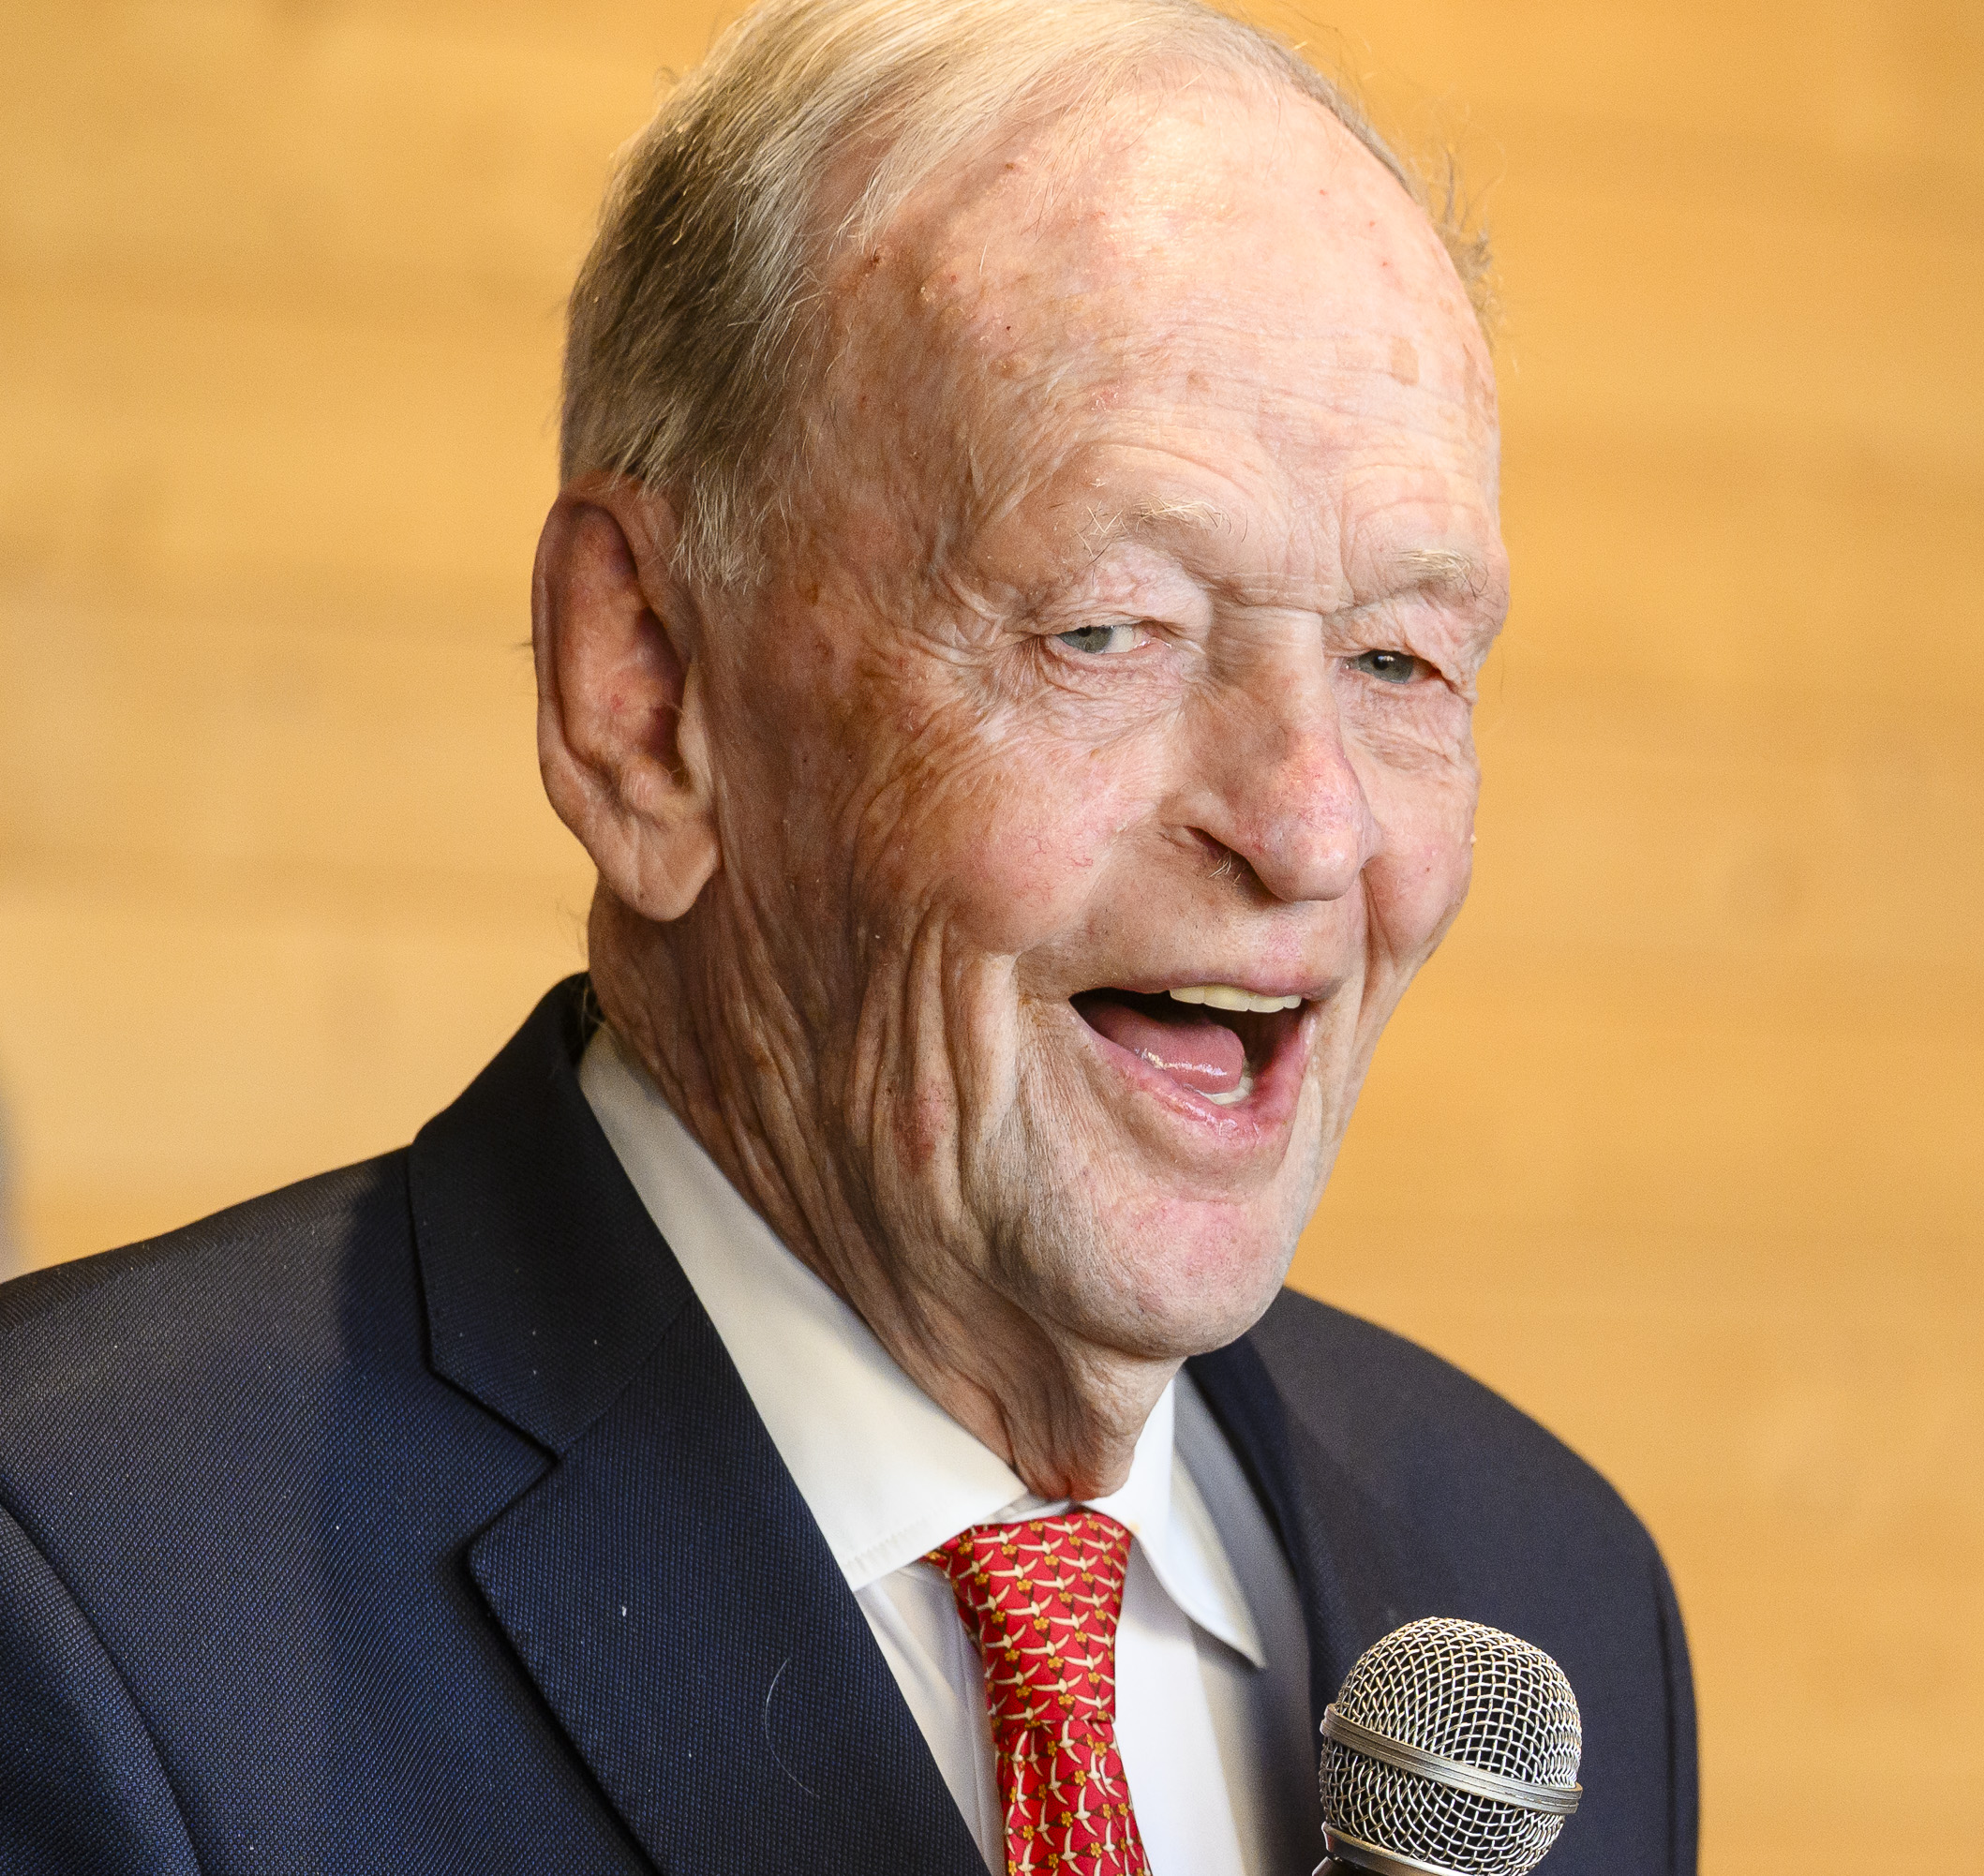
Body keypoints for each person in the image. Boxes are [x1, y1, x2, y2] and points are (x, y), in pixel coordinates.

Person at [0, 4, 1697, 1873]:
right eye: (1107, 627)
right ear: (646, 696)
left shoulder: (1551, 1585)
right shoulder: (84, 1594)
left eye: (1401, 660)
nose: (1310, 827)